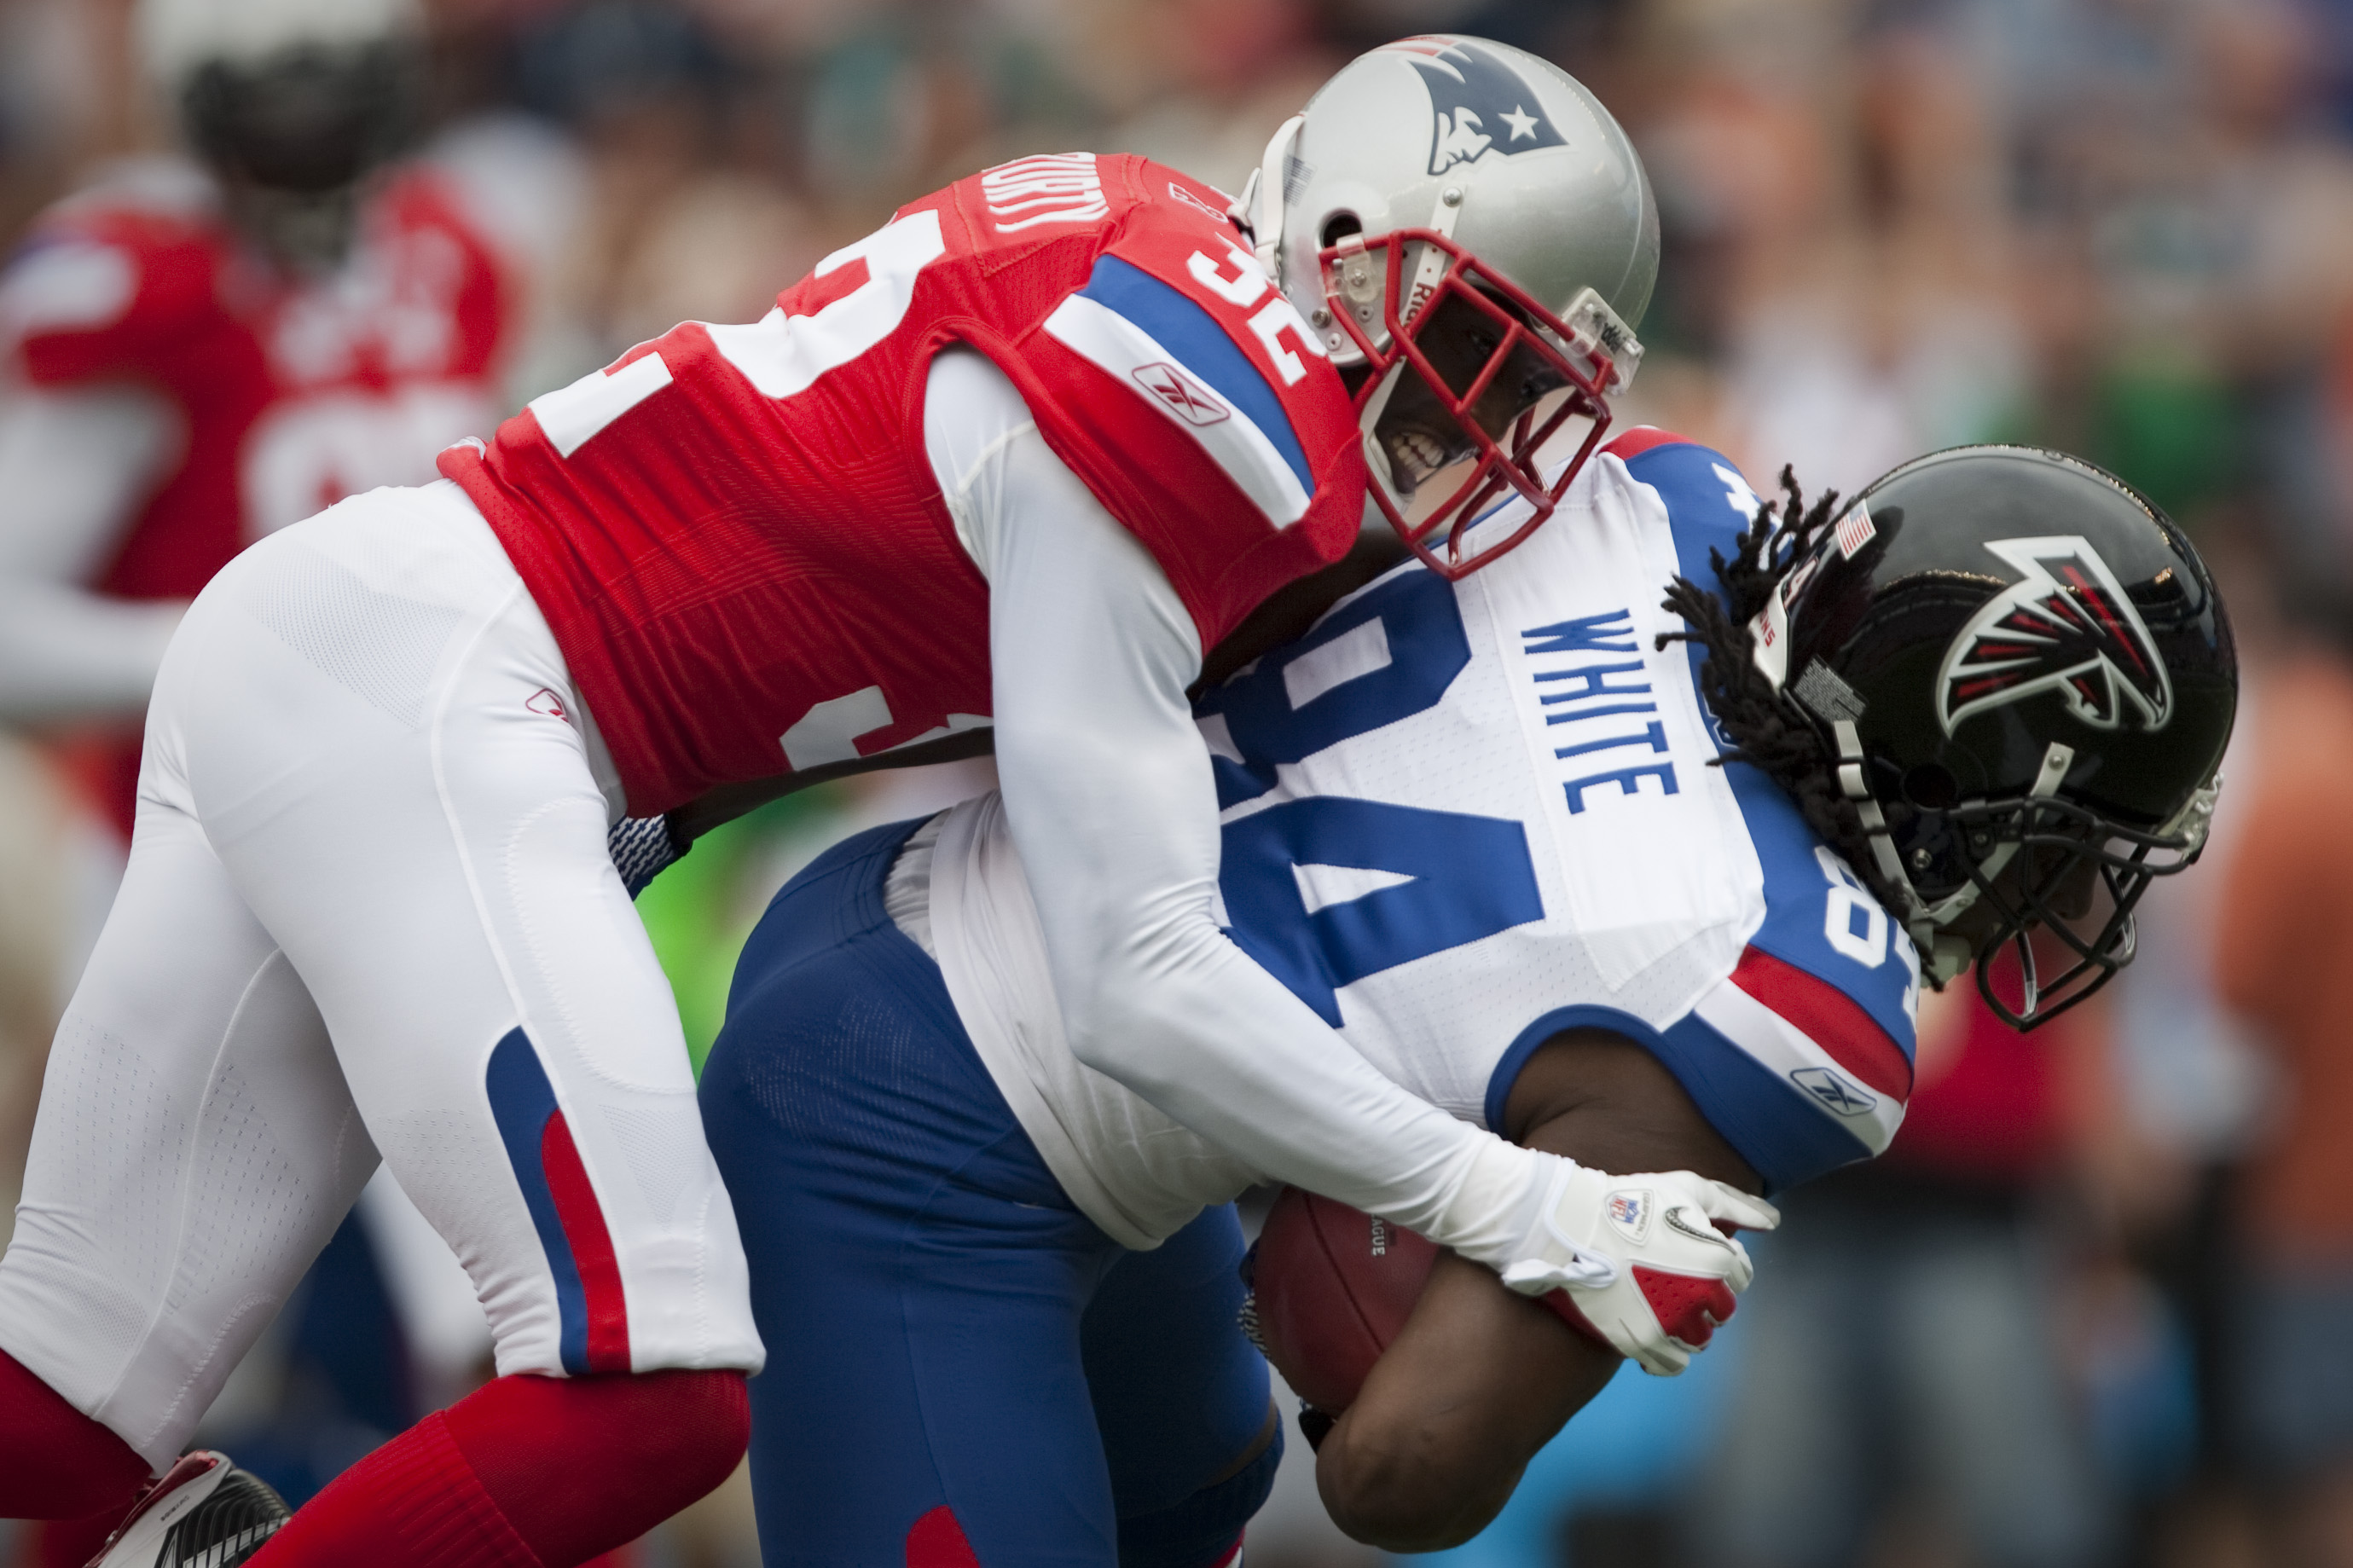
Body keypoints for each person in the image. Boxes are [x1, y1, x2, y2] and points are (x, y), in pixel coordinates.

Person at [0, 34, 1673, 1568]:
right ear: (1350, 242)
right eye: (1470, 342)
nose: (1486, 423)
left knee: (57, 1425)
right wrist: (1515, 1200)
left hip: (359, 647)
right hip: (453, 690)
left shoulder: (1157, 242)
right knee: (644, 1388)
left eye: (1527, 387)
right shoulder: (1191, 408)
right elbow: (1134, 974)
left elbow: (808, 624)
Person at [698, 440, 2234, 1560]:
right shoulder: (1792, 999)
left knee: (1191, 1486)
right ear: (1948, 760)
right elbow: (1402, 1476)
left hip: (897, 905)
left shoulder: (1661, 502)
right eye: (2055, 843)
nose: (2060, 898)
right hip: (925, 1148)